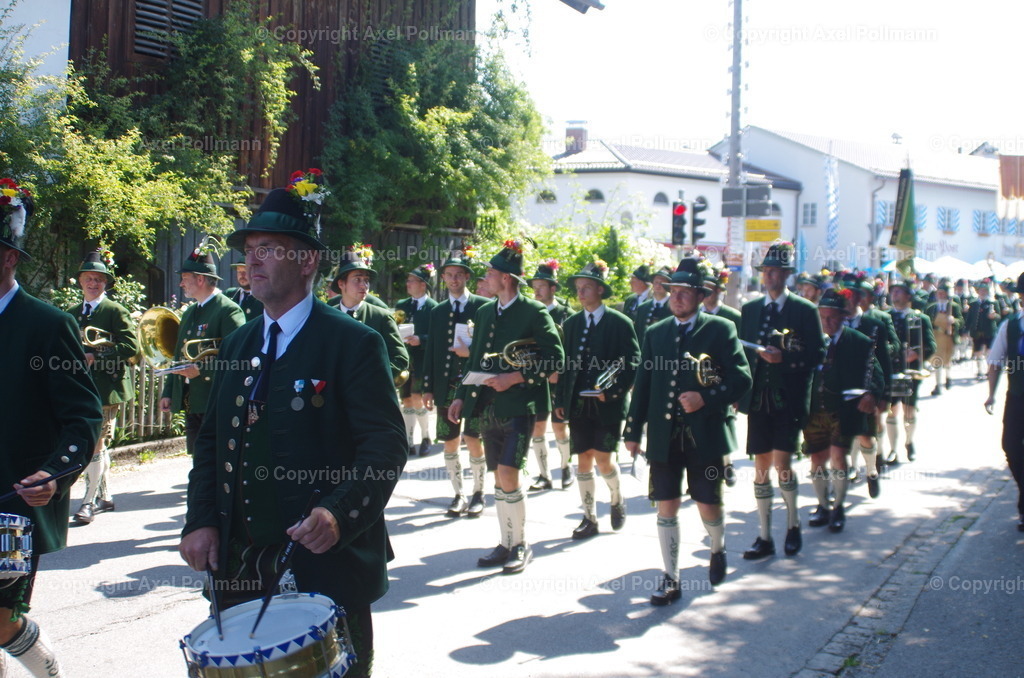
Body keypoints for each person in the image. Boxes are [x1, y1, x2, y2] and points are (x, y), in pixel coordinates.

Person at [178, 176, 408, 678]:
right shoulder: (237, 344)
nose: (252, 261)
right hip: (239, 567)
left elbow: (386, 446)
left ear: (306, 261)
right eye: (249, 250)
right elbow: (211, 443)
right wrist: (200, 519)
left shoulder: (353, 343)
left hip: (325, 563)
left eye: (268, 249)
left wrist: (338, 513)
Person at [0, 178, 102, 676]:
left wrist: (55, 474)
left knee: (0, 621)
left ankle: (48, 670)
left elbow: (83, 416)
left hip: (13, 506)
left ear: (8, 258)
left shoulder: (47, 324)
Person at [625, 257, 751, 600]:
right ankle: (671, 577)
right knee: (666, 504)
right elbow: (644, 384)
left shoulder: (721, 329)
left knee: (708, 502)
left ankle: (717, 547)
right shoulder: (656, 332)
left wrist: (705, 398)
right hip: (663, 436)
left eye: (685, 292)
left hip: (705, 435)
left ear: (700, 296)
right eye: (673, 291)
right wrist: (633, 432)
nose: (677, 298)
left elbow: (741, 379)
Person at [447, 239, 564, 574]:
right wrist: (460, 395)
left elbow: (556, 359)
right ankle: (506, 541)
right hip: (487, 407)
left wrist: (514, 377)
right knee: (499, 476)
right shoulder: (485, 312)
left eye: (490, 273)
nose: (485, 277)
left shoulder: (534, 311)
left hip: (520, 405)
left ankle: (521, 544)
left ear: (506, 278)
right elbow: (476, 358)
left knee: (510, 472)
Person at [738, 242, 827, 560]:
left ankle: (792, 525)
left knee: (782, 465)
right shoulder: (750, 309)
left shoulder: (804, 310)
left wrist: (784, 359)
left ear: (787, 275)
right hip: (758, 401)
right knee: (760, 467)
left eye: (776, 271)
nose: (770, 276)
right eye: (767, 271)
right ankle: (764, 536)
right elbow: (741, 356)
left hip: (788, 400)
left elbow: (817, 354)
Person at [554, 259, 639, 539]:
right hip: (579, 404)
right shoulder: (572, 323)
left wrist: (613, 391)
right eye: (578, 288)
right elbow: (565, 365)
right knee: (583, 459)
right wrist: (560, 400)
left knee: (604, 459)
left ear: (600, 290)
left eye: (586, 287)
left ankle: (616, 497)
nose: (580, 293)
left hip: (608, 404)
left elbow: (633, 362)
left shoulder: (620, 322)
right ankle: (589, 518)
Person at [803, 289, 884, 533]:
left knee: (839, 456)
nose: (827, 322)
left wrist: (871, 394)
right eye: (823, 317)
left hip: (843, 409)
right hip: (815, 410)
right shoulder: (810, 340)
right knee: (817, 458)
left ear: (842, 316)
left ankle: (838, 507)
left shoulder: (859, 342)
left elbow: (876, 373)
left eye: (832, 317)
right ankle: (822, 505)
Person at [69, 250, 139, 525]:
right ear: (80, 281)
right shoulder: (72, 313)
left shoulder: (115, 311)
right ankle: (106, 496)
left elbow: (131, 347)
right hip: (79, 388)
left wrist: (96, 357)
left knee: (95, 443)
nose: (93, 283)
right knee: (97, 443)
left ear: (105, 283)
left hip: (107, 388)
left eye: (98, 279)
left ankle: (88, 502)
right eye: (88, 278)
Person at [159, 241, 246, 455]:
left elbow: (238, 356)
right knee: (197, 459)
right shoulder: (190, 313)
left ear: (200, 279)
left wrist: (202, 371)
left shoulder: (228, 310)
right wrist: (168, 392)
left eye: (184, 278)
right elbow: (178, 354)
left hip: (215, 399)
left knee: (215, 459)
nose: (181, 284)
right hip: (193, 400)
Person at [422, 250, 488, 517]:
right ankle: (458, 494)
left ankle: (479, 492)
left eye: (459, 274)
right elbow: (431, 351)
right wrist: (427, 387)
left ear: (467, 277)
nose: (453, 279)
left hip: (474, 386)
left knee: (473, 438)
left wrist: (469, 354)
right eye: (448, 275)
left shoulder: (483, 307)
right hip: (445, 387)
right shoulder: (437, 311)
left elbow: (490, 348)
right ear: (443, 278)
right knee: (449, 441)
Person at [840, 272, 895, 490]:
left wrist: (884, 395)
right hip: (841, 389)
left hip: (867, 389)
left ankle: (871, 470)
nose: (847, 301)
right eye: (843, 296)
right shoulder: (834, 322)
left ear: (859, 298)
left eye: (851, 296)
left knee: (865, 435)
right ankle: (851, 469)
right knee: (843, 436)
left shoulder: (874, 325)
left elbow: (884, 362)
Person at [329, 249, 411, 392]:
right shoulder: (328, 316)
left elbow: (400, 359)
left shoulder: (381, 317)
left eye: (366, 280)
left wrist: (373, 379)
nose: (364, 285)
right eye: (357, 279)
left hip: (368, 395)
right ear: (341, 284)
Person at [526, 260, 574, 491]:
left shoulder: (567, 314)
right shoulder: (530, 313)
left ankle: (566, 467)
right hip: (536, 378)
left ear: (553, 288)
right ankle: (544, 475)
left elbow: (573, 351)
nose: (536, 291)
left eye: (541, 286)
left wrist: (559, 372)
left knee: (559, 427)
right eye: (534, 286)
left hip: (558, 380)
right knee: (537, 428)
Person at [983, 270, 1024, 532]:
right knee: (1010, 446)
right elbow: (995, 361)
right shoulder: (1011, 325)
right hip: (1018, 396)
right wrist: (991, 394)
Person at [885, 278, 936, 464]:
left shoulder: (920, 318)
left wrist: (917, 354)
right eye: (893, 291)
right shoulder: (885, 316)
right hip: (891, 370)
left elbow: (931, 345)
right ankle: (892, 450)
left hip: (911, 371)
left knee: (909, 411)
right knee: (891, 411)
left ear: (908, 296)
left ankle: (909, 441)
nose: (894, 294)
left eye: (899, 291)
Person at [702, 262, 741, 488]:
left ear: (719, 290)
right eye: (704, 289)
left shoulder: (732, 316)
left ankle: (727, 463)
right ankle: (702, 469)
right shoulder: (696, 316)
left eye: (712, 289)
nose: (707, 294)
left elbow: (741, 354)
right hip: (699, 378)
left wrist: (738, 389)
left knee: (724, 421)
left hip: (724, 378)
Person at [396, 264, 438, 457]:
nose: (408, 284)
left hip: (423, 361)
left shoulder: (433, 308)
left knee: (417, 398)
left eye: (412, 281)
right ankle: (409, 440)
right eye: (408, 280)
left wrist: (421, 339)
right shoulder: (402, 305)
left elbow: (438, 335)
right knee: (406, 400)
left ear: (423, 284)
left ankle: (426, 437)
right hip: (405, 360)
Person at [925, 282, 963, 396]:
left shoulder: (954, 306)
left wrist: (954, 321)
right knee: (937, 361)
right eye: (938, 293)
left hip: (949, 337)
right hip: (936, 337)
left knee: (948, 360)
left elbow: (961, 321)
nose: (940, 295)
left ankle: (948, 377)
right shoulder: (931, 307)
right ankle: (938, 385)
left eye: (942, 293)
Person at [966, 279, 1003, 380]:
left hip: (989, 331)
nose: (983, 292)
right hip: (977, 332)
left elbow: (999, 317)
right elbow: (969, 318)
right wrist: (967, 330)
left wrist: (994, 316)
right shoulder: (973, 303)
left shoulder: (993, 302)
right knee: (978, 352)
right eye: (981, 290)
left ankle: (988, 371)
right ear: (978, 291)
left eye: (985, 290)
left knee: (989, 352)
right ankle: (979, 371)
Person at [633, 265, 673, 346]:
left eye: (662, 283)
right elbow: (637, 334)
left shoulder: (673, 308)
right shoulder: (643, 308)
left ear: (669, 286)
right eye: (656, 282)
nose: (658, 285)